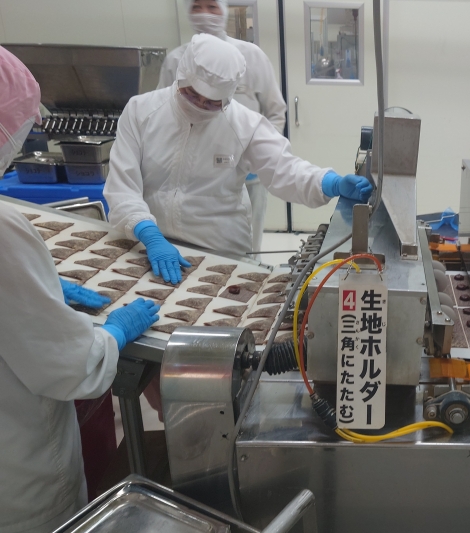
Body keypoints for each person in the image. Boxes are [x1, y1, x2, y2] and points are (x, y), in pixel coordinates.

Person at [0, 46, 161, 533]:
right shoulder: (4, 232)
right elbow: (70, 366)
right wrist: (113, 332)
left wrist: (35, 291)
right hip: (15, 479)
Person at [104, 34, 372, 285]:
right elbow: (122, 185)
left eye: (211, 103)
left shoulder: (244, 124)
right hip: (147, 242)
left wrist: (330, 182)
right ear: (181, 77)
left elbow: (285, 169)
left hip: (220, 251)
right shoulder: (141, 112)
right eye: (192, 95)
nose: (199, 105)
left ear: (228, 96)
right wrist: (148, 233)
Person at [159, 0, 287, 253]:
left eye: (212, 6)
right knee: (200, 246)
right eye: (197, 7)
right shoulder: (175, 60)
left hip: (248, 175)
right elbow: (163, 117)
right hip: (196, 176)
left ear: (224, 10)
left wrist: (261, 158)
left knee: (248, 245)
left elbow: (275, 111)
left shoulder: (251, 56)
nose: (204, 14)